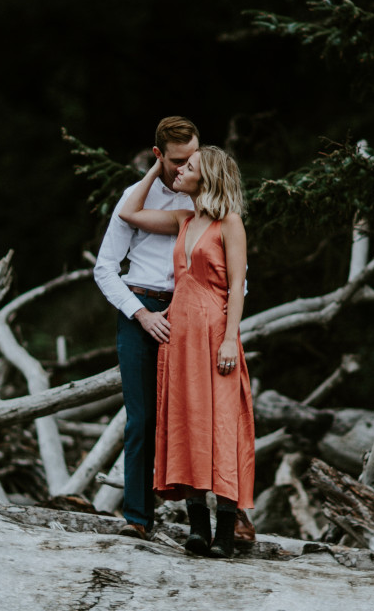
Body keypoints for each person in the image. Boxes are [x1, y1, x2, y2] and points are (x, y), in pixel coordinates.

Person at [118, 145, 254, 559]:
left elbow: (237, 286)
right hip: (180, 337)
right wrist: (157, 166)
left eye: (188, 168)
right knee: (188, 422)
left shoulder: (230, 223)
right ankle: (198, 528)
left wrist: (231, 337)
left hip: (215, 333)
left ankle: (227, 533)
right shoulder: (184, 220)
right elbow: (129, 212)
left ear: (207, 177)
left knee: (223, 425)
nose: (179, 172)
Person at [94, 116, 200, 538]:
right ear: (159, 156)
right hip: (140, 311)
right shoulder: (133, 199)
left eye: (192, 158)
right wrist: (140, 313)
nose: (184, 168)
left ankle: (207, 522)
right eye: (175, 161)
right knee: (141, 419)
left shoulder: (208, 202)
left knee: (196, 416)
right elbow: (104, 269)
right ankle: (138, 519)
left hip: (190, 315)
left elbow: (236, 272)